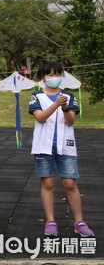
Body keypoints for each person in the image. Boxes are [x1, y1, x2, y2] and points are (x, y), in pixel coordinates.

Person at [29, 61, 94, 238]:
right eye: (50, 75)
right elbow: (40, 118)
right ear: (42, 78)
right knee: (48, 183)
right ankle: (50, 221)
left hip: (66, 145)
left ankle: (79, 222)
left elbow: (70, 121)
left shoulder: (69, 97)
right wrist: (55, 104)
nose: (54, 78)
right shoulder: (37, 97)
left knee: (70, 183)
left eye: (58, 74)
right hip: (44, 146)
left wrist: (65, 107)